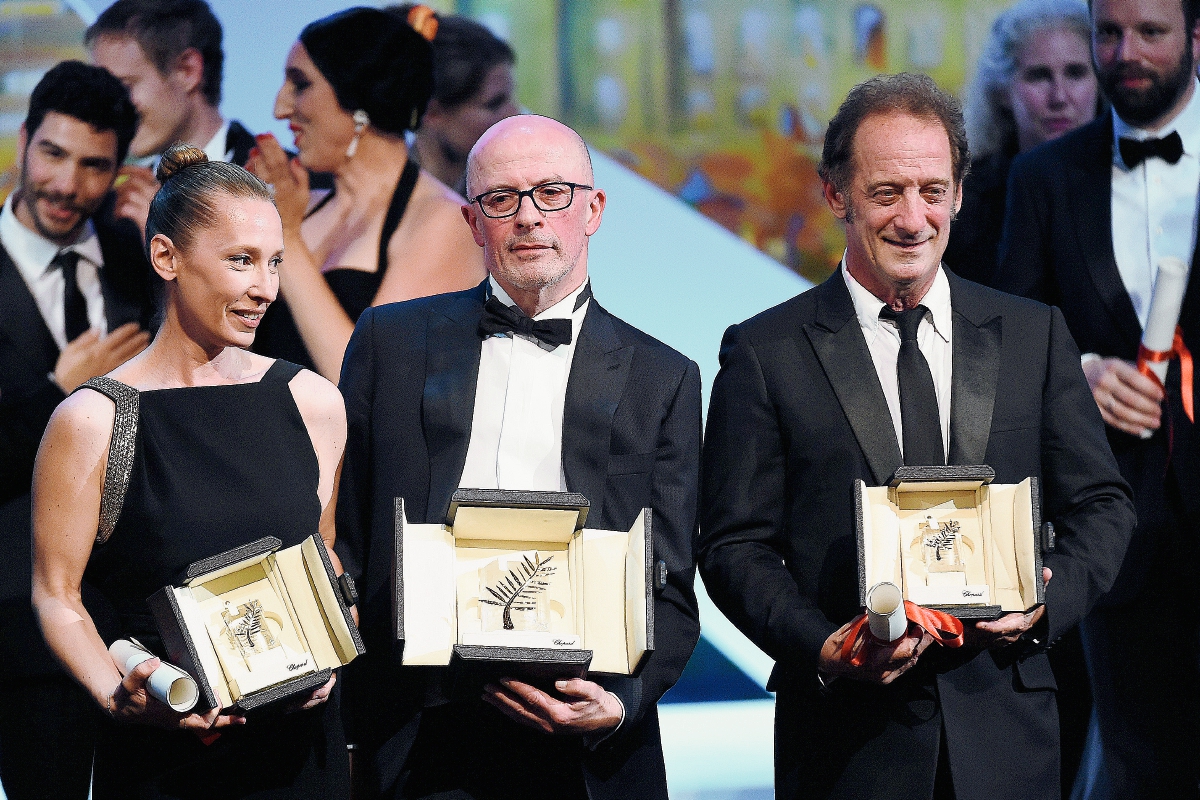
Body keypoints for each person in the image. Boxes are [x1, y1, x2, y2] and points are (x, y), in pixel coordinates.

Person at [699, 73, 1135, 800]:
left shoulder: (1035, 335)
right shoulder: (765, 352)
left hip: (1010, 738)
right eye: (886, 192)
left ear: (961, 193)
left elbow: (1103, 505)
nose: (913, 218)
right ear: (836, 195)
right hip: (847, 746)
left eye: (933, 190)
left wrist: (1048, 603)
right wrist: (823, 646)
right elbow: (733, 544)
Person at [336, 114, 701, 800]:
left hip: (582, 740)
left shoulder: (663, 377)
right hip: (422, 732)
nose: (529, 216)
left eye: (552, 193)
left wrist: (622, 702)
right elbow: (345, 545)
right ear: (475, 222)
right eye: (502, 199)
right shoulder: (392, 342)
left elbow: (672, 587)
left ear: (592, 209)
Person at [30, 144, 349, 800]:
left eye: (274, 263)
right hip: (167, 762)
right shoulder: (94, 420)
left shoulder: (313, 403)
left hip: (300, 761)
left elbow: (326, 559)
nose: (264, 287)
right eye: (241, 261)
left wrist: (333, 658)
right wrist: (115, 693)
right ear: (167, 258)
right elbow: (56, 594)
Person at [994, 0, 1200, 795]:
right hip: (1115, 532)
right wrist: (1076, 372)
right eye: (1108, 33)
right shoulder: (1044, 177)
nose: (1126, 52)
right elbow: (1011, 339)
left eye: (1150, 32)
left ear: (1194, 39)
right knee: (1139, 763)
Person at [0, 60, 151, 800]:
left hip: (138, 611)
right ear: (23, 142)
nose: (68, 184)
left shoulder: (143, 260)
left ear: (119, 169)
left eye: (94, 165)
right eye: (53, 154)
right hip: (16, 615)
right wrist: (57, 395)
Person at [249, 6, 485, 383]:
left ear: (357, 96)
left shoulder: (442, 223)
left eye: (301, 84)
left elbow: (372, 386)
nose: (280, 108)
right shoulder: (299, 207)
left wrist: (288, 241)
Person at [944, 0, 1100, 285]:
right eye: (1039, 75)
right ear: (1003, 90)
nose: (1059, 97)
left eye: (1075, 73)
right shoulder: (961, 205)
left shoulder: (1128, 182)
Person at [86, 0, 261, 238]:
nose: (111, 108)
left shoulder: (297, 192)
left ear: (187, 71)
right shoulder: (113, 213)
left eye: (124, 87)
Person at [388, 4, 520, 196]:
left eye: (511, 97)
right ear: (432, 113)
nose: (514, 114)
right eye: (494, 104)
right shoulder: (386, 201)